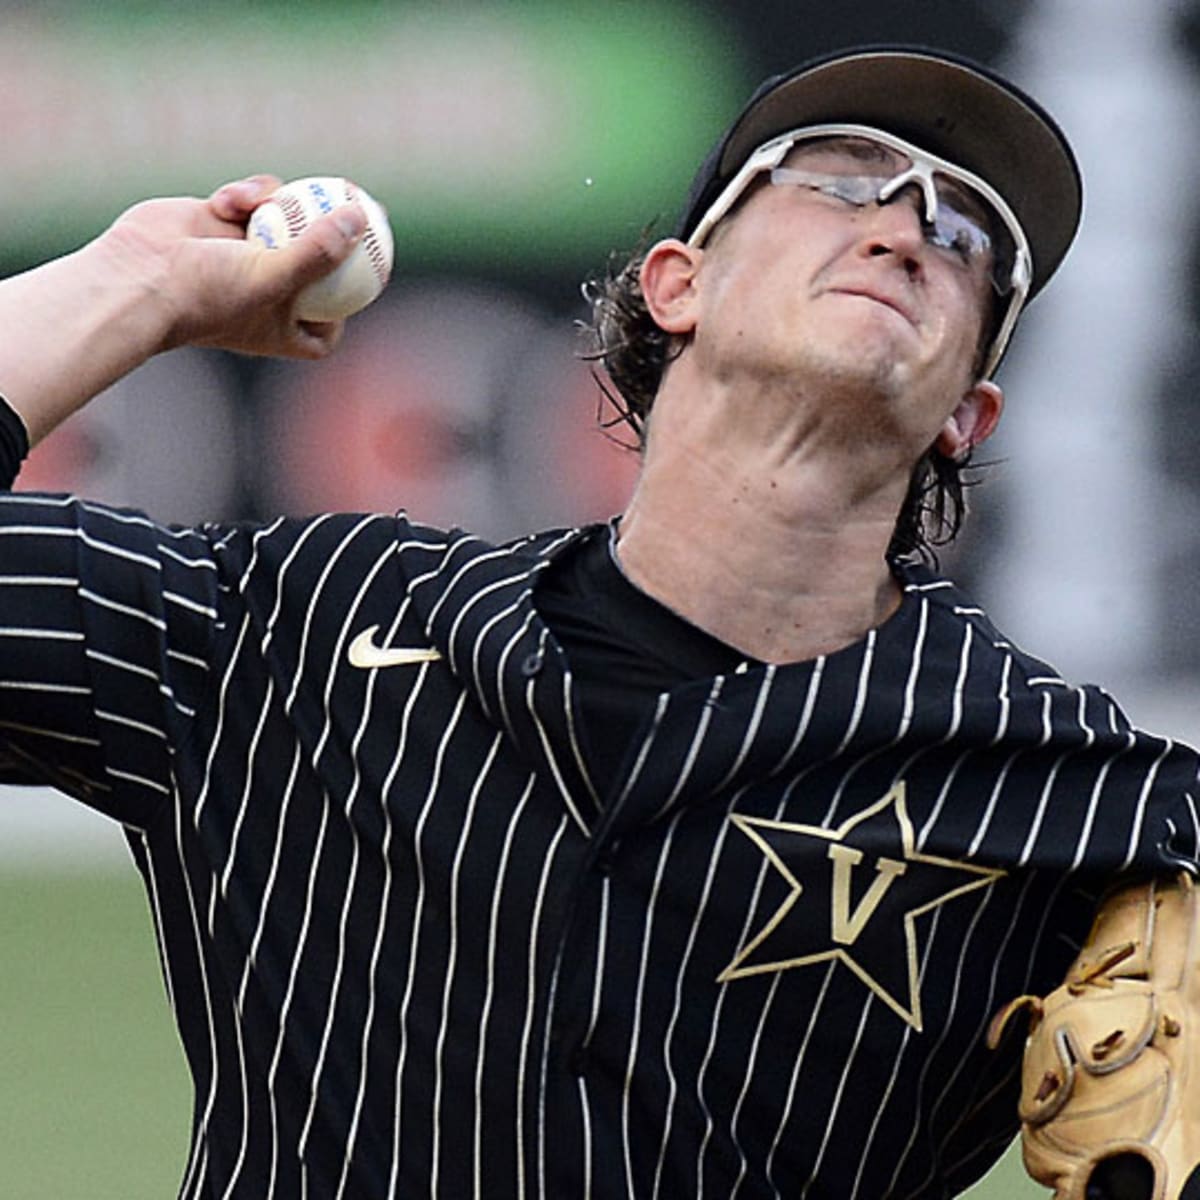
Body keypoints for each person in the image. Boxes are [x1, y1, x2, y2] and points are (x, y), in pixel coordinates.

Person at [0, 45, 1196, 1199]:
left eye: (964, 235)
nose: (903, 229)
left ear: (968, 415)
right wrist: (135, 282)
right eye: (838, 181)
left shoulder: (1075, 798)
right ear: (676, 283)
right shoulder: (304, 625)